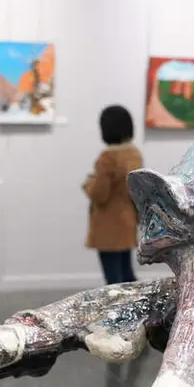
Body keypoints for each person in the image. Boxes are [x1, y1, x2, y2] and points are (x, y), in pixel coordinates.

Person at [83, 104, 142, 285]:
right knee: (127, 275)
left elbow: (100, 194)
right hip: (127, 220)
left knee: (113, 280)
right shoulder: (134, 154)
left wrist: (88, 184)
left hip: (109, 225)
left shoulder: (107, 158)